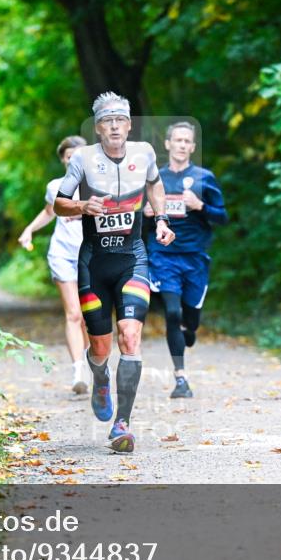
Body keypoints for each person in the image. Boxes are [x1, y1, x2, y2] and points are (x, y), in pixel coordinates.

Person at [53, 92, 175, 453]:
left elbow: (154, 182)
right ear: (98, 127)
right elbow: (58, 203)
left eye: (120, 120)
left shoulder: (145, 153)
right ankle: (100, 377)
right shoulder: (83, 159)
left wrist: (162, 218)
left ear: (129, 124)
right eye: (107, 121)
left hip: (132, 258)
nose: (114, 126)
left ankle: (122, 424)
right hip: (94, 262)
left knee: (130, 336)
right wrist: (80, 204)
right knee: (101, 347)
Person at [145, 121, 228, 398]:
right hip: (163, 255)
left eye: (186, 141)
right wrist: (145, 212)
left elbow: (223, 217)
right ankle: (181, 379)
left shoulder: (205, 178)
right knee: (171, 312)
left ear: (192, 147)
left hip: (195, 257)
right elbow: (134, 215)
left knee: (189, 320)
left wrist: (200, 206)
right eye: (177, 140)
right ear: (167, 144)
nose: (181, 145)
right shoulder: (154, 178)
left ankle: (189, 329)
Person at [17, 136, 90, 394]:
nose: (73, 160)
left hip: (92, 256)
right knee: (73, 313)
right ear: (63, 159)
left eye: (78, 155)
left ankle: (95, 361)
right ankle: (78, 371)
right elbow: (49, 212)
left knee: (91, 316)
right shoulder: (56, 186)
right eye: (69, 156)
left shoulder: (99, 185)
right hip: (63, 253)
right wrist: (29, 230)